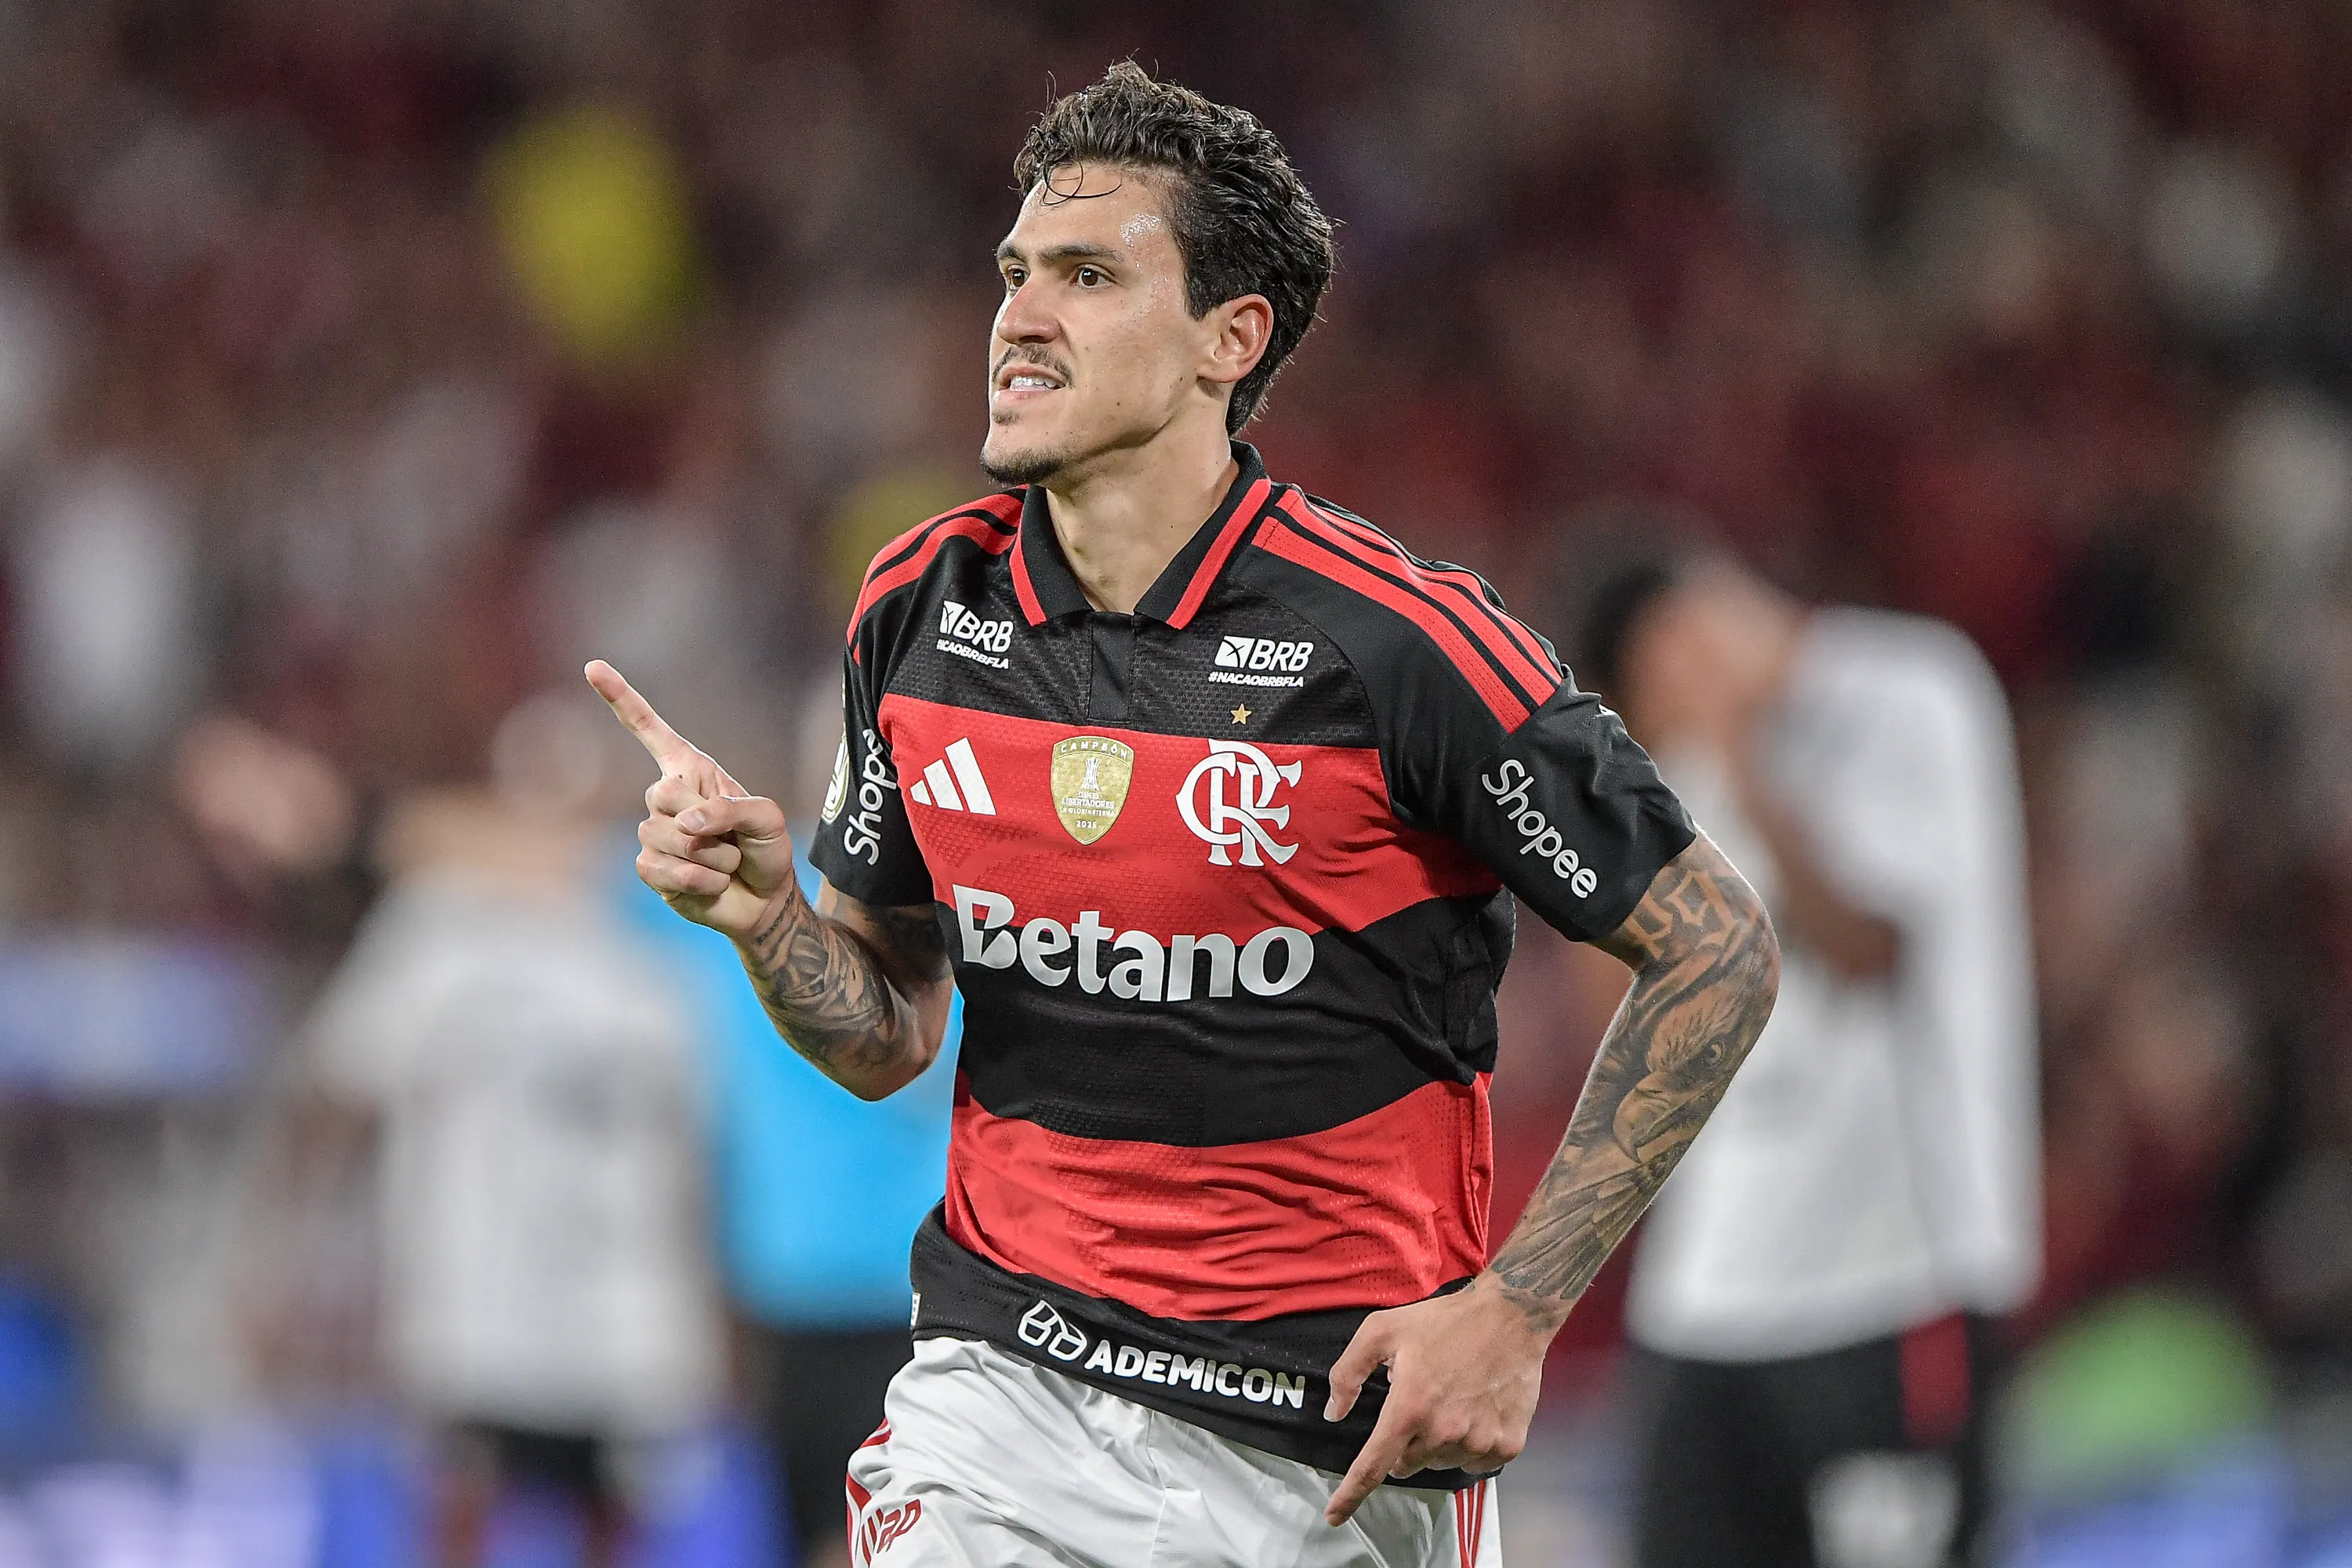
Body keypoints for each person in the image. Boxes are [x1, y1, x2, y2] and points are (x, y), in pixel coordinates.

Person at [590, 64, 1780, 1568]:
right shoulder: (919, 612)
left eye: (1089, 275)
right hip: (1002, 1406)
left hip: (1325, 1456)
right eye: (1017, 273)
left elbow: (1719, 949)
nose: (1020, 316)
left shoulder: (1397, 644)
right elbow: (888, 1032)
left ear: (1232, 338)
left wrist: (1520, 1307)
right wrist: (766, 922)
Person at [1577, 547, 2038, 1568]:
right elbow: (1622, 1020)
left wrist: (1744, 754)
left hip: (1893, 1280)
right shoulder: (1677, 763)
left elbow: (1870, 949)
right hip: (1706, 1295)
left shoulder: (1912, 688)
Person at [299, 782, 724, 1568]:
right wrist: (305, 1261)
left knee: (613, 1522)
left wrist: (718, 1301)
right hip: (477, 1303)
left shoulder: (673, 931)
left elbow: (716, 1135)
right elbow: (340, 1091)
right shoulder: (441, 920)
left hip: (625, 1309)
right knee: (460, 1510)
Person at [615, 833, 959, 1568]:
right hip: (881, 1283)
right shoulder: (955, 901)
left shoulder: (742, 897)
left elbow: (557, 864)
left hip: (836, 1287)